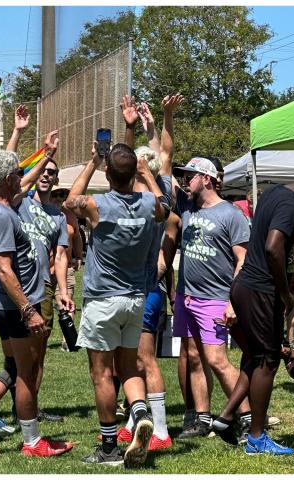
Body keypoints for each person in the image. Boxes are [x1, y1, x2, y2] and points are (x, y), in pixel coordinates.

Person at [0, 136, 74, 458]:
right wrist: (28, 309)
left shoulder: (4, 202)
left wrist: (47, 154)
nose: (21, 178)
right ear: (9, 180)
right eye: (17, 174)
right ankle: (32, 442)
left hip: (10, 305)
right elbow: (4, 269)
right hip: (17, 306)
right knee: (26, 373)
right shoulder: (1, 215)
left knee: (12, 366)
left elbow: (22, 180)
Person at [64, 135, 167, 467]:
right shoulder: (152, 207)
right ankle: (140, 413)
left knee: (102, 374)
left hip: (102, 300)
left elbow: (69, 201)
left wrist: (93, 162)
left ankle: (108, 447)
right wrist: (147, 174)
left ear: (108, 173)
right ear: (133, 172)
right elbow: (165, 202)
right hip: (136, 299)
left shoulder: (98, 206)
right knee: (128, 367)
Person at [211, 173, 294, 455]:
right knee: (268, 360)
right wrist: (285, 294)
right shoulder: (289, 206)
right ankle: (256, 438)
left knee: (255, 356)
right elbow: (273, 248)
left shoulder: (274, 193)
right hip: (259, 290)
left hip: (244, 286)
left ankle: (226, 418)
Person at [169, 156, 252, 439]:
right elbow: (163, 165)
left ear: (206, 178)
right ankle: (201, 419)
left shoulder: (231, 214)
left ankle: (247, 419)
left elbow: (243, 260)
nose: (184, 181)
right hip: (186, 297)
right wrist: (159, 122)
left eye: (190, 176)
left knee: (217, 361)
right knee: (193, 357)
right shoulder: (187, 207)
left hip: (215, 299)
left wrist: (232, 301)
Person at [121, 93, 182, 451]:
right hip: (131, 289)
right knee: (128, 360)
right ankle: (135, 419)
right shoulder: (134, 196)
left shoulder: (161, 200)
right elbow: (124, 160)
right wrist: (135, 128)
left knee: (144, 358)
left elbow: (167, 155)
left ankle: (160, 430)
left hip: (149, 287)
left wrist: (166, 118)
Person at [5, 107, 74, 424]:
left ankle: (31, 408)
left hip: (42, 289)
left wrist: (62, 291)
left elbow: (60, 256)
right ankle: (15, 409)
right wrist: (37, 149)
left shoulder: (59, 217)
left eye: (52, 173)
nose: (46, 176)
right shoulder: (19, 201)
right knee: (16, 357)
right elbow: (7, 174)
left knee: (40, 353)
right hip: (14, 287)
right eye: (43, 171)